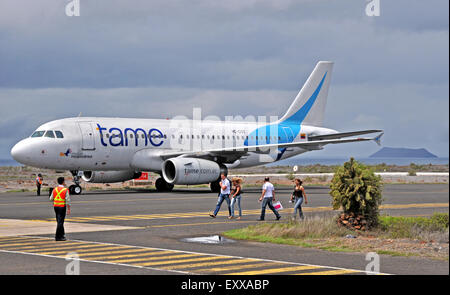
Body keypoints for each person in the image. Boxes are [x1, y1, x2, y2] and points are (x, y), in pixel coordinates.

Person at [49, 177, 71, 241]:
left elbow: (51, 198)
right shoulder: (65, 190)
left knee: (59, 221)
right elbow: (68, 201)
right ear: (63, 182)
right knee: (60, 222)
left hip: (56, 207)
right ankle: (58, 236)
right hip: (62, 207)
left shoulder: (55, 189)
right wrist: (68, 209)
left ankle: (62, 235)